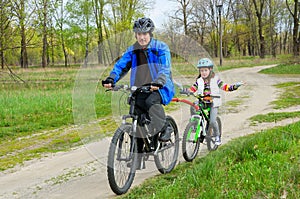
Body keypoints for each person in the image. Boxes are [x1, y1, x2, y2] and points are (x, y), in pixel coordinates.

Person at [102, 17, 175, 167]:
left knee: (150, 102)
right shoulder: (132, 50)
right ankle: (137, 156)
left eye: (145, 34)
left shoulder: (161, 48)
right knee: (136, 114)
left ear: (150, 34)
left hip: (159, 87)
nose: (142, 37)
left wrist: (159, 81)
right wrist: (111, 79)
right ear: (135, 35)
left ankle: (165, 127)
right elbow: (121, 66)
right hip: (139, 88)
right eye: (139, 34)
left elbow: (164, 68)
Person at [189, 58, 243, 145]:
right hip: (202, 101)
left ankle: (217, 136)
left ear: (210, 70)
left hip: (213, 103)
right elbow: (193, 88)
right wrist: (188, 91)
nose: (203, 72)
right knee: (193, 106)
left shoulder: (215, 79)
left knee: (212, 121)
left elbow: (225, 87)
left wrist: (235, 86)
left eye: (205, 70)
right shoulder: (199, 81)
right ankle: (195, 125)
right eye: (201, 70)